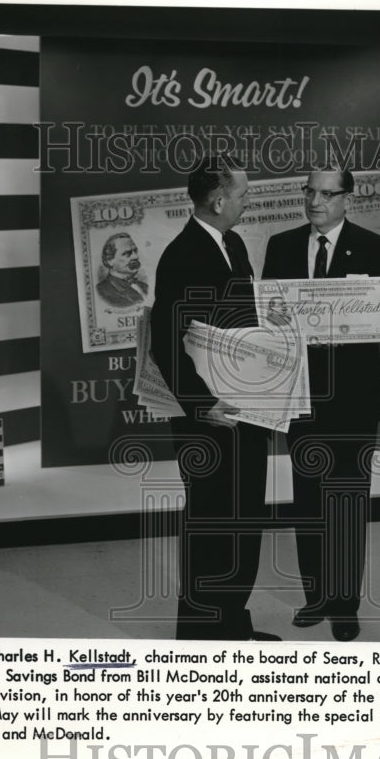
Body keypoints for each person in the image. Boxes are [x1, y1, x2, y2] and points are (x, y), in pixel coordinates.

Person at [262, 167, 380, 642]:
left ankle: (345, 604)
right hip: (301, 397)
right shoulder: (281, 246)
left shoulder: (374, 247)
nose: (316, 201)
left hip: (355, 400)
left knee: (348, 502)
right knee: (309, 501)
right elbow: (267, 317)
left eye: (327, 194)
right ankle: (316, 595)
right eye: (309, 192)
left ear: (347, 199)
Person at [150, 157, 279, 641]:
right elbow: (166, 340)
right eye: (244, 194)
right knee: (210, 525)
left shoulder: (235, 244)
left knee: (244, 520)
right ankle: (202, 641)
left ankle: (234, 625)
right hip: (207, 416)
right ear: (219, 200)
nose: (249, 201)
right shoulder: (181, 254)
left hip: (246, 408)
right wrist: (200, 404)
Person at [96, 232, 148, 307]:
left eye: (135, 251)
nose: (135, 257)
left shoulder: (145, 286)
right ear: (110, 260)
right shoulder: (102, 292)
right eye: (127, 253)